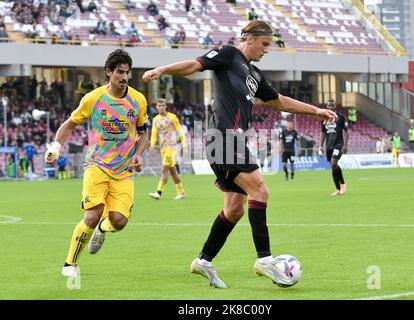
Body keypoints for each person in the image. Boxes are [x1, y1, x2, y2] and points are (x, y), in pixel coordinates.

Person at [142, 20, 337, 288]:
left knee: (234, 209)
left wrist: (315, 110)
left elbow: (279, 101)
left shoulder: (254, 75)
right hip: (222, 138)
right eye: (265, 44)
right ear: (249, 38)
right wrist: (162, 70)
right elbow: (194, 65)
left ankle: (204, 261)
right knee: (260, 190)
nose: (267, 49)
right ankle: (265, 260)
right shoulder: (228, 54)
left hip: (229, 141)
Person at [45, 49, 148, 278]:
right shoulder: (93, 99)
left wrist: (139, 153)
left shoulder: (138, 100)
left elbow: (143, 133)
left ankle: (103, 228)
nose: (124, 77)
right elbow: (69, 124)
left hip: (123, 171)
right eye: (119, 72)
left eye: (127, 73)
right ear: (108, 72)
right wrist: (56, 147)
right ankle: (70, 264)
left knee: (119, 222)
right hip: (97, 165)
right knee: (91, 215)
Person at [148, 98, 187, 200]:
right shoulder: (155, 119)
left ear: (166, 106)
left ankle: (158, 192)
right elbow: (154, 133)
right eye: (159, 106)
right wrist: (152, 144)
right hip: (163, 148)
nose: (161, 107)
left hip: (172, 147)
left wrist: (184, 145)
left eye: (163, 105)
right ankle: (181, 192)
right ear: (156, 107)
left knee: (164, 169)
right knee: (173, 171)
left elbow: (180, 131)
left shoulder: (172, 117)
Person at [319, 99, 349, 196]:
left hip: (338, 143)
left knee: (333, 162)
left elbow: (346, 131)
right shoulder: (324, 118)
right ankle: (338, 189)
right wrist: (320, 146)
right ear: (327, 107)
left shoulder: (341, 117)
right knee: (333, 166)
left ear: (335, 106)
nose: (330, 106)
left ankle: (343, 185)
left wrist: (345, 144)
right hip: (329, 145)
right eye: (329, 105)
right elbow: (323, 133)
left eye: (332, 105)